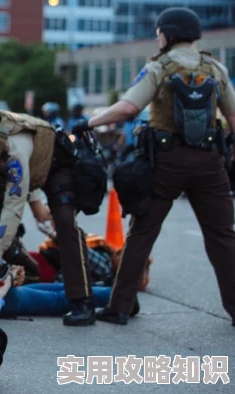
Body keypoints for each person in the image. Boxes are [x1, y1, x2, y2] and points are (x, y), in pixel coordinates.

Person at [73, 7, 235, 326]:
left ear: (168, 34)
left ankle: (120, 307)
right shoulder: (215, 68)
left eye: (159, 32)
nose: (157, 37)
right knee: (223, 238)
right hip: (210, 162)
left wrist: (89, 122)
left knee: (142, 233)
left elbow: (129, 107)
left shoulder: (159, 66)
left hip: (166, 162)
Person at [0, 109, 107, 326]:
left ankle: (83, 301)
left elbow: (13, 208)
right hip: (3, 174)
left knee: (65, 224)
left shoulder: (13, 151)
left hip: (52, 166)